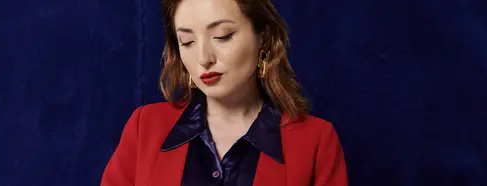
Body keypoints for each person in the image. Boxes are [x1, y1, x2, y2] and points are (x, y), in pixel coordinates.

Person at [100, 0, 347, 185]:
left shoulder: (316, 141)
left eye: (223, 36)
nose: (204, 59)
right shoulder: (145, 127)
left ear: (264, 38)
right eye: (187, 42)